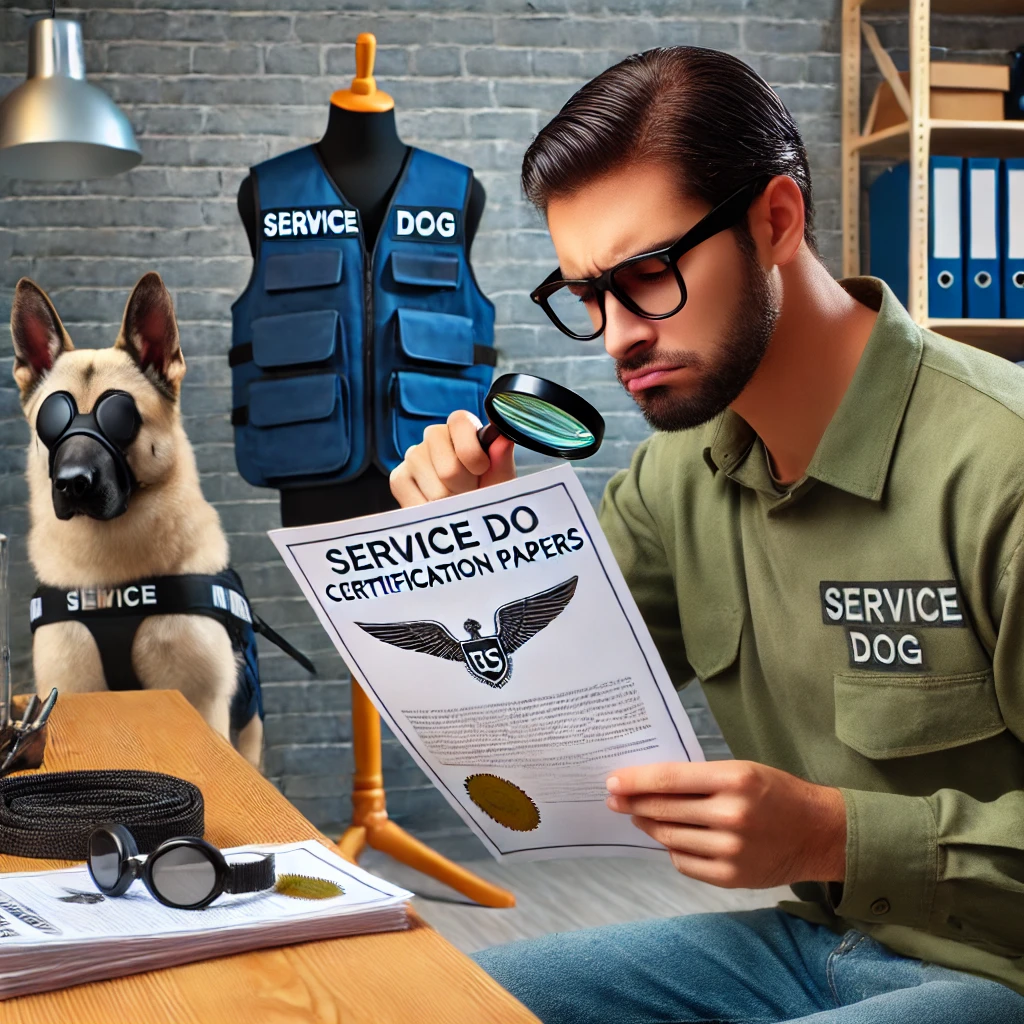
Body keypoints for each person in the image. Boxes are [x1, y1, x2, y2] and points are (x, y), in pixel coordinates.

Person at [388, 47, 1024, 1024]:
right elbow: (548, 731)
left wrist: (835, 836)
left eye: (646, 273)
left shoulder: (1001, 465)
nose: (615, 337)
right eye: (587, 294)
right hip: (819, 945)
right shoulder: (671, 480)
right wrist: (474, 552)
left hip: (1001, 974)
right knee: (444, 1007)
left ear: (774, 219)